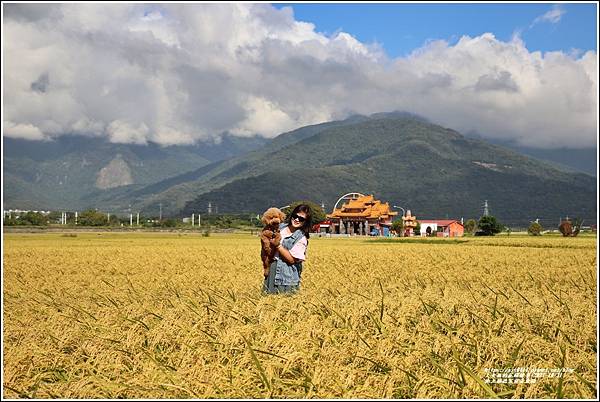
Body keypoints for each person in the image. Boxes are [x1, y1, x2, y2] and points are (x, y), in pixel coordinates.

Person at [262, 204, 312, 294]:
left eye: (301, 219)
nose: (297, 219)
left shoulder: (301, 238)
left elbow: (292, 260)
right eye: (295, 216)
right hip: (272, 269)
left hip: (286, 277)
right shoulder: (280, 227)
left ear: (305, 222)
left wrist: (278, 246)